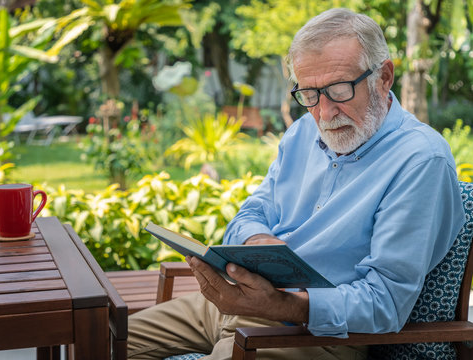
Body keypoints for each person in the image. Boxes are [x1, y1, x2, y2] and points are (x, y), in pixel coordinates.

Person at [128, 8, 466, 360]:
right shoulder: (303, 132)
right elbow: (252, 212)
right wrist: (256, 241)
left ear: (384, 76)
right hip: (241, 301)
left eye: (338, 90)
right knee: (109, 340)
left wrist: (284, 305)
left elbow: (385, 304)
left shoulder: (421, 160)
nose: (324, 112)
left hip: (319, 335)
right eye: (308, 94)